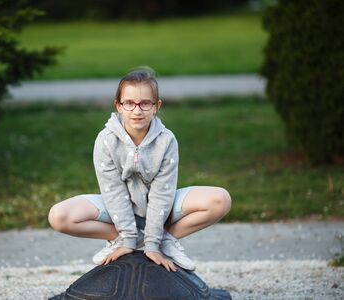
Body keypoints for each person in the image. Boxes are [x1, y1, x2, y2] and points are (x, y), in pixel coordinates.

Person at [48, 67, 231, 272]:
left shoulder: (166, 140)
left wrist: (153, 245)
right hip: (117, 209)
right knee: (59, 216)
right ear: (118, 105)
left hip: (162, 209)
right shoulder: (106, 140)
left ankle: (164, 240)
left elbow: (163, 192)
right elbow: (113, 191)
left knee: (220, 200)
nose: (137, 110)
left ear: (156, 106)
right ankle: (122, 240)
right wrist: (127, 238)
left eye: (145, 103)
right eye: (129, 103)